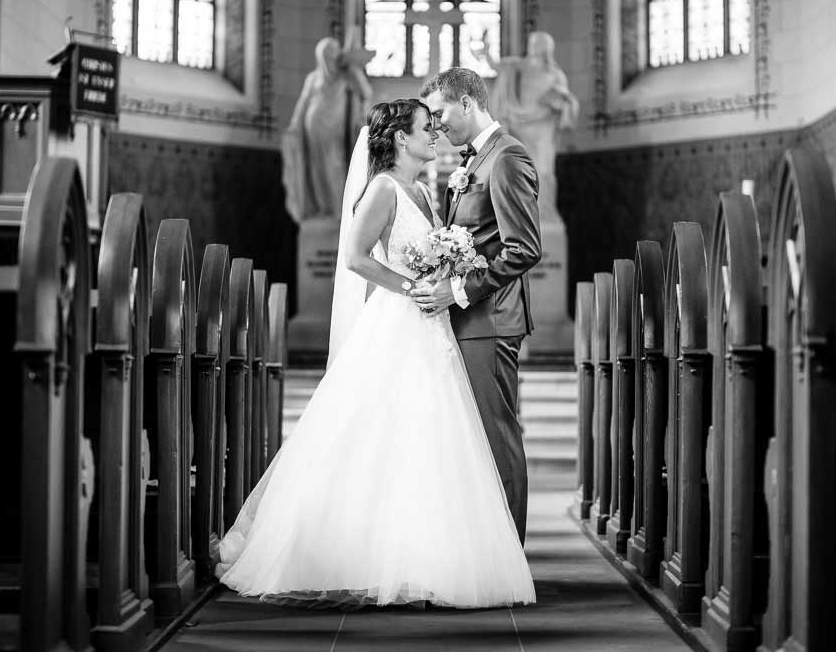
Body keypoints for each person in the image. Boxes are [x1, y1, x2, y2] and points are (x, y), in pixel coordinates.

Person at [217, 98, 536, 609]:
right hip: (400, 321)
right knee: (380, 430)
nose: (433, 134)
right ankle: (357, 550)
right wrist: (413, 285)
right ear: (400, 140)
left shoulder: (425, 190)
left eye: (435, 125)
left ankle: (421, 552)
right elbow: (355, 258)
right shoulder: (384, 189)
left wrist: (446, 274)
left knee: (430, 435)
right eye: (424, 129)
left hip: (432, 325)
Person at [411, 67, 543, 546]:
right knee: (473, 440)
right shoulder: (471, 161)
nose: (438, 126)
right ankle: (481, 547)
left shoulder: (507, 157)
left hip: (489, 321)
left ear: (468, 102)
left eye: (441, 113)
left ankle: (509, 552)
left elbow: (523, 249)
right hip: (467, 321)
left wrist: (459, 291)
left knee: (497, 435)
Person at [474, 30, 578, 223]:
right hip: (516, 124)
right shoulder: (517, 66)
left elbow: (566, 101)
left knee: (544, 171)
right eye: (532, 43)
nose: (534, 47)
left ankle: (544, 214)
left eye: (538, 44)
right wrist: (486, 50)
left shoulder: (555, 74)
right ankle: (521, 214)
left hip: (543, 128)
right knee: (517, 168)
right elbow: (496, 66)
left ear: (547, 48)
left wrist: (562, 104)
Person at [281, 36, 373, 223]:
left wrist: (355, 70)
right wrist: (294, 126)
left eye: (333, 53)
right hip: (313, 127)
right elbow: (303, 103)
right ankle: (323, 208)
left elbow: (366, 93)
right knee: (316, 167)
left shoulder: (346, 76)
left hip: (335, 129)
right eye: (326, 55)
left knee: (336, 165)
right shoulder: (313, 78)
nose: (330, 59)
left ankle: (338, 209)